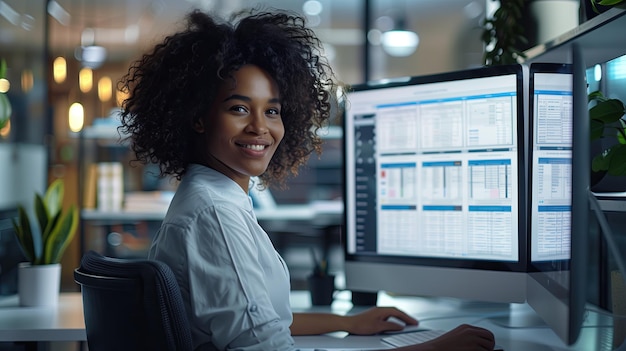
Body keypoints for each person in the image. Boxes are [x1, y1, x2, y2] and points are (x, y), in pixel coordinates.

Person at [118, 7, 496, 351]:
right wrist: (431, 349)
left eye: (272, 111)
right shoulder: (214, 214)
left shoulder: (211, 197)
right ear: (198, 117)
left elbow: (255, 318)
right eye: (239, 108)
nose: (259, 127)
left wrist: (345, 322)